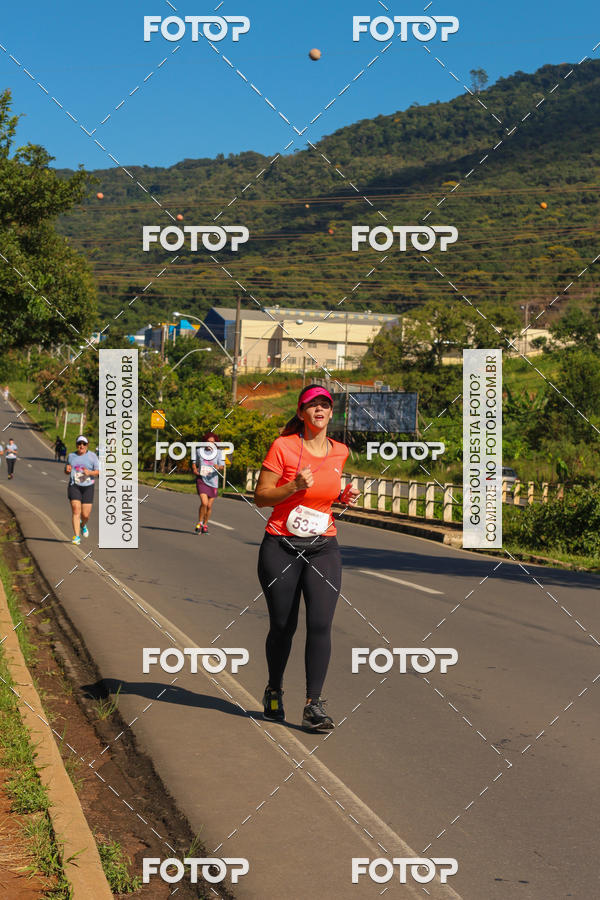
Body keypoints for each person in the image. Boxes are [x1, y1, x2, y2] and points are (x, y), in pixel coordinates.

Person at [254, 384, 359, 732]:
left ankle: (314, 704)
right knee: (284, 626)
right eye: (312, 405)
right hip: (281, 545)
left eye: (325, 405)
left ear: (331, 414)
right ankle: (274, 688)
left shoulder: (340, 451)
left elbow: (326, 494)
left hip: (323, 545)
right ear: (301, 413)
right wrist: (293, 487)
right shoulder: (283, 447)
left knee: (320, 623)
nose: (319, 410)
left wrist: (344, 494)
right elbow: (261, 497)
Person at [65, 436, 100, 545]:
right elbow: (67, 469)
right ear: (76, 445)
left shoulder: (92, 456)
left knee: (85, 515)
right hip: (74, 485)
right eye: (79, 444)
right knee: (76, 510)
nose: (81, 446)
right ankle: (76, 536)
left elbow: (98, 471)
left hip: (88, 486)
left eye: (84, 444)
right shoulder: (71, 456)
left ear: (87, 445)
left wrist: (90, 473)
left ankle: (83, 525)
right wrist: (67, 470)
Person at [191, 432, 225, 534]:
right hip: (202, 479)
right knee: (204, 503)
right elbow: (194, 463)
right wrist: (194, 469)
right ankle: (200, 523)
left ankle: (205, 525)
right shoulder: (198, 451)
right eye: (208, 442)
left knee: (209, 506)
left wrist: (218, 467)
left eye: (213, 442)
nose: (210, 444)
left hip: (213, 481)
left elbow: (222, 466)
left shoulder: (219, 453)